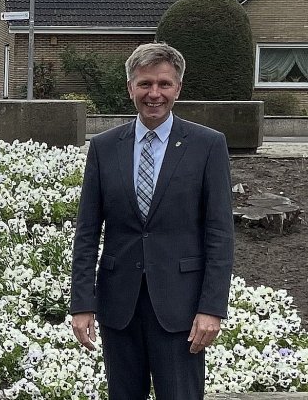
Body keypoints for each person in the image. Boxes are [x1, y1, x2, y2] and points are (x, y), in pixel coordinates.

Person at [70, 42, 234, 399]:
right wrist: (83, 304)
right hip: (119, 308)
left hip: (182, 311)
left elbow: (219, 234)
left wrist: (212, 308)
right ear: (131, 88)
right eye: (145, 84)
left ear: (178, 88)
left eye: (164, 84)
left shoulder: (208, 146)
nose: (154, 93)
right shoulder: (104, 147)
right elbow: (86, 232)